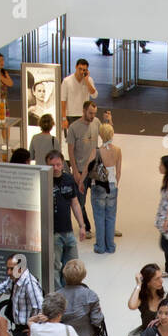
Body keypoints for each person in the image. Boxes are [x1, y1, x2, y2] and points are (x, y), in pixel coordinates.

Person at [47, 150, 87, 288]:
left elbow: (74, 203)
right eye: (52, 165)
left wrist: (82, 226)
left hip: (68, 231)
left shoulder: (68, 180)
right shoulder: (44, 181)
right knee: (55, 265)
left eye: (58, 164)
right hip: (53, 232)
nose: (56, 168)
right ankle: (59, 294)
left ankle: (71, 290)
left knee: (73, 265)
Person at [66, 99, 99, 235]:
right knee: (81, 201)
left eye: (94, 113)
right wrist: (74, 170)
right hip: (80, 169)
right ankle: (85, 226)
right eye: (90, 113)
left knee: (100, 199)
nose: (92, 116)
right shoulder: (73, 128)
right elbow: (70, 151)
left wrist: (110, 121)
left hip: (95, 169)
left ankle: (102, 228)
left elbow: (106, 135)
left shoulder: (96, 122)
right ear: (84, 111)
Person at [90, 122, 121, 254]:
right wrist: (115, 183)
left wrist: (81, 182)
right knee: (111, 216)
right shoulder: (118, 150)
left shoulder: (96, 151)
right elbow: (118, 172)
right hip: (112, 185)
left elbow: (88, 168)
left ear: (100, 135)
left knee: (99, 216)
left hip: (98, 186)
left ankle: (100, 246)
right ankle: (110, 246)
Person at [60, 58, 98, 132]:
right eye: (79, 69)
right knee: (72, 140)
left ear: (87, 71)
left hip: (85, 115)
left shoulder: (89, 80)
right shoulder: (67, 81)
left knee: (84, 139)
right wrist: (64, 118)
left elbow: (94, 95)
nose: (81, 72)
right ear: (76, 67)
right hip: (71, 115)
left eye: (84, 70)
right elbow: (63, 100)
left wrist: (87, 81)